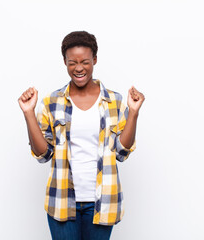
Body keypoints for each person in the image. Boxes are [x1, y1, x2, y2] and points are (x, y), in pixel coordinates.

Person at [18, 31, 145, 240]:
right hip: (61, 201)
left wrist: (133, 113)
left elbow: (122, 152)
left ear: (94, 60)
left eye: (85, 61)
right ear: (65, 63)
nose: (79, 68)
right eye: (72, 62)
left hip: (103, 203)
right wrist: (28, 113)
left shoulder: (115, 101)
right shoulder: (52, 102)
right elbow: (43, 154)